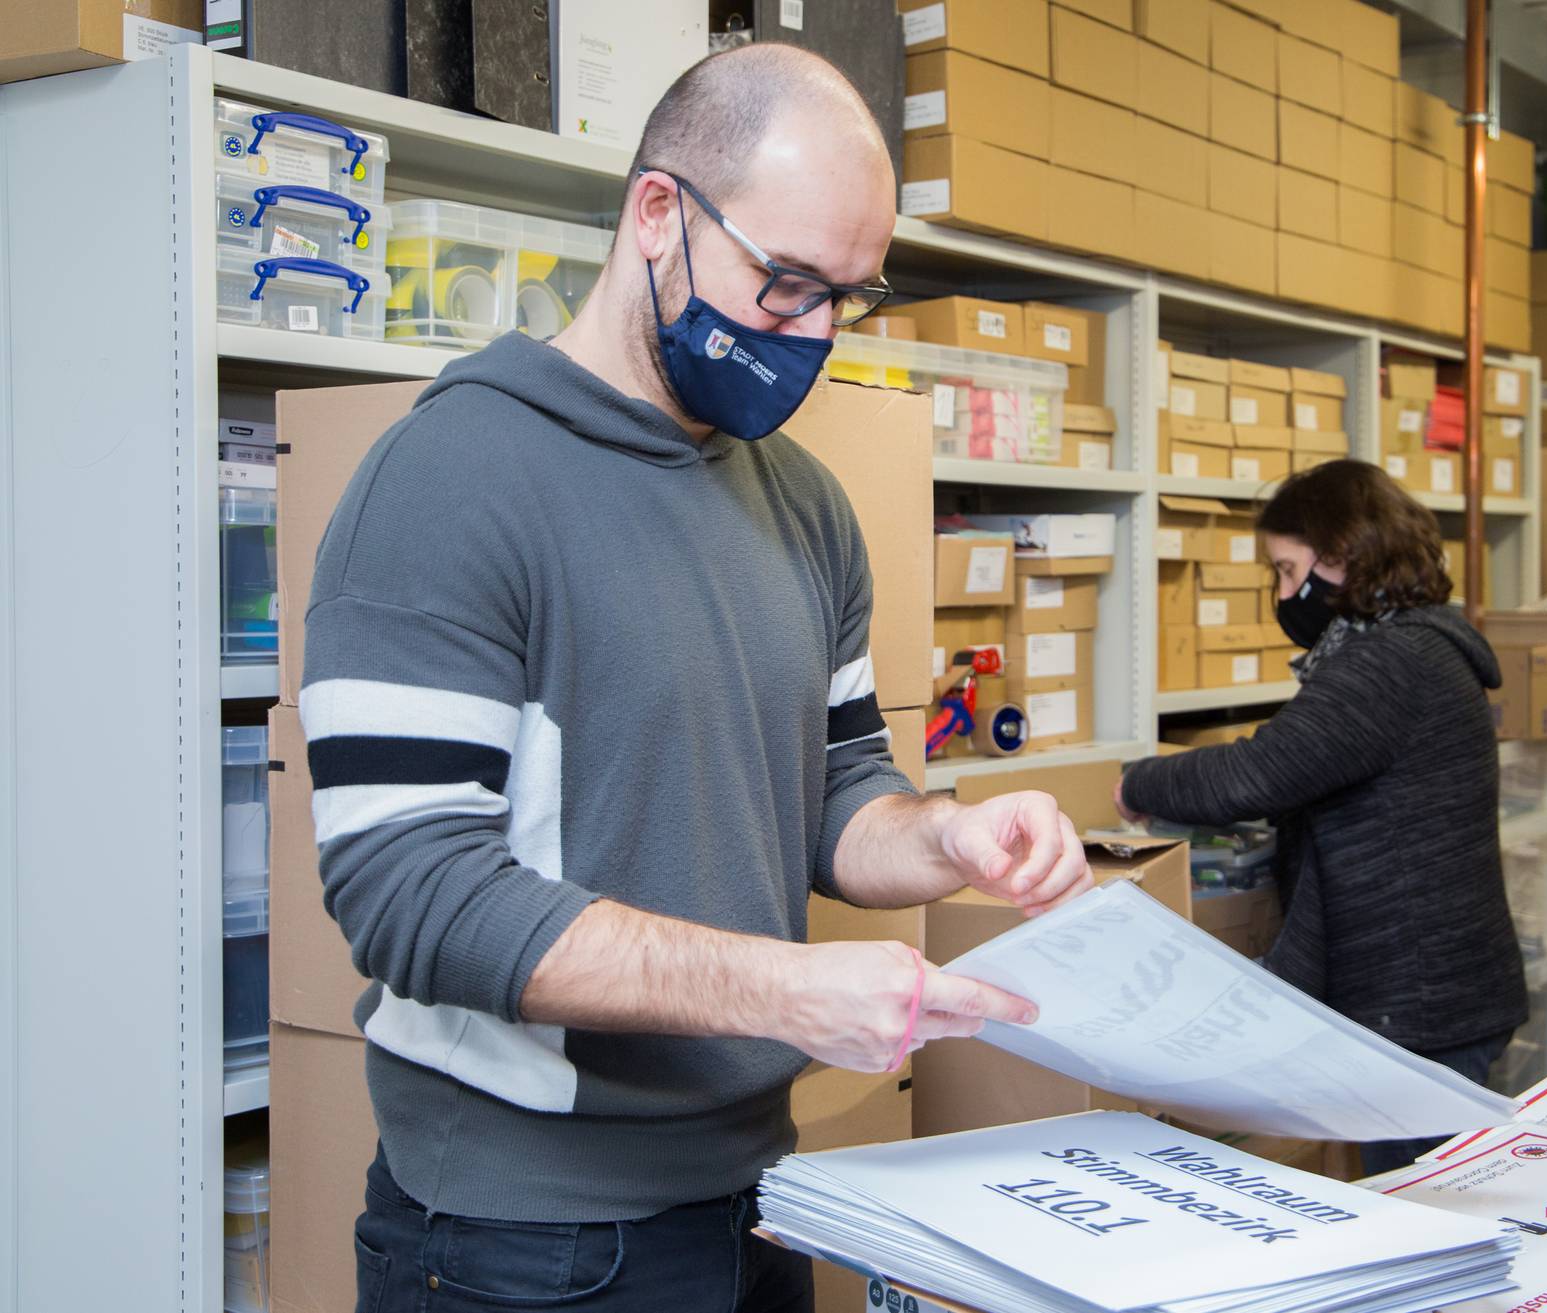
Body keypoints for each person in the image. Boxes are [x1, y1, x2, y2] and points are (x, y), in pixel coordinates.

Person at [304, 45, 1091, 1312]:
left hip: (756, 1201)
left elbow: (835, 789)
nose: (813, 334)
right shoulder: (449, 482)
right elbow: (409, 888)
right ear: (657, 213)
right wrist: (784, 986)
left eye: (848, 296)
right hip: (526, 1239)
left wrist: (949, 835)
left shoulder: (805, 505)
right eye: (785, 284)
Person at [1115, 459, 1527, 1177]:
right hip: (1442, 995)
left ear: (1340, 556)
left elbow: (1259, 771)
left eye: (1285, 568)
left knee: (1425, 1228)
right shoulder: (1420, 644)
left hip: (1423, 1007)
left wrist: (1135, 783)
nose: (1281, 593)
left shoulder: (1392, 662)